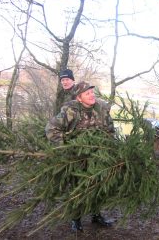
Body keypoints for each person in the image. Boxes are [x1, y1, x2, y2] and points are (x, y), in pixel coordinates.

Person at [45, 81, 115, 231]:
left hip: (98, 157)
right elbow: (51, 129)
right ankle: (75, 219)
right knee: (77, 188)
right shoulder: (70, 110)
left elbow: (110, 130)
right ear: (79, 98)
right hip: (76, 157)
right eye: (87, 93)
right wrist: (66, 148)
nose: (91, 95)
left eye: (92, 92)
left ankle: (96, 215)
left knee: (98, 185)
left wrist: (108, 149)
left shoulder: (102, 108)